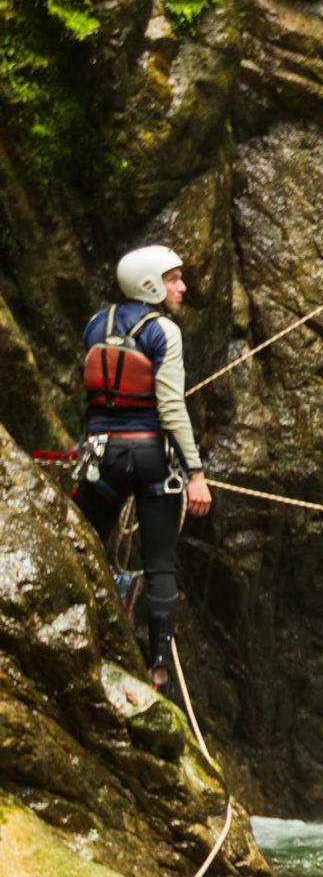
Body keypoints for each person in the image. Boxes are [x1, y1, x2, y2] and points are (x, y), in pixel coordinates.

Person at [74, 245, 215, 687]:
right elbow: (171, 406)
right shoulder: (164, 332)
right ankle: (156, 669)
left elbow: (93, 392)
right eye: (173, 278)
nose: (182, 287)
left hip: (102, 456)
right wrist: (195, 475)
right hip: (153, 458)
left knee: (85, 541)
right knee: (159, 565)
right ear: (151, 284)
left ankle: (89, 627)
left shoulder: (96, 325)